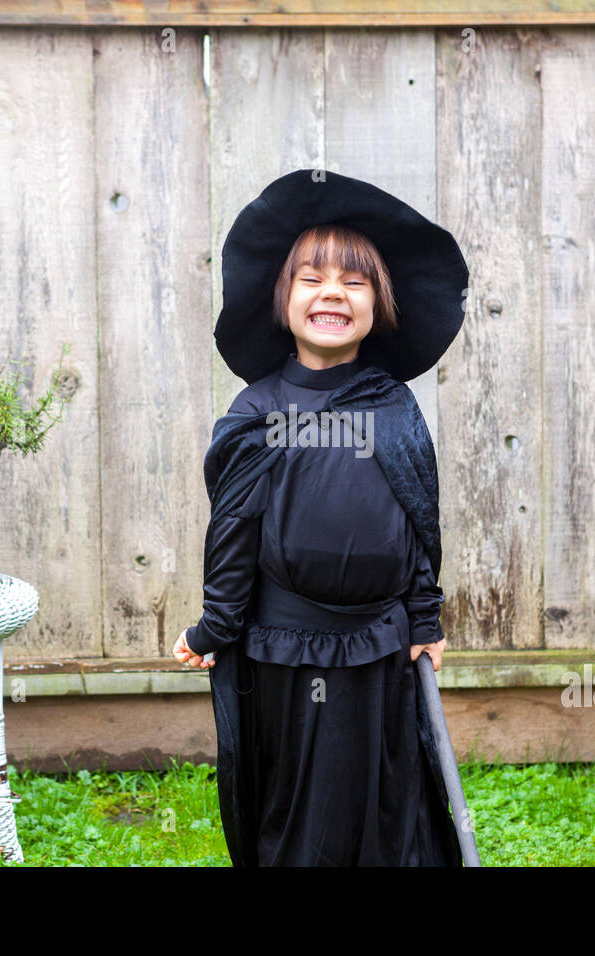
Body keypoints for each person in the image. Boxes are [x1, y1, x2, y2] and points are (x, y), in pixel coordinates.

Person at [171, 169, 469, 866]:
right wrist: (214, 627)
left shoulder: (392, 407)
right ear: (281, 301)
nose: (332, 291)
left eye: (355, 282)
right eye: (311, 278)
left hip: (382, 650)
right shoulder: (257, 415)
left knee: (386, 802)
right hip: (287, 651)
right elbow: (234, 540)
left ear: (379, 306)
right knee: (305, 811)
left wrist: (424, 618)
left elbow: (421, 524)